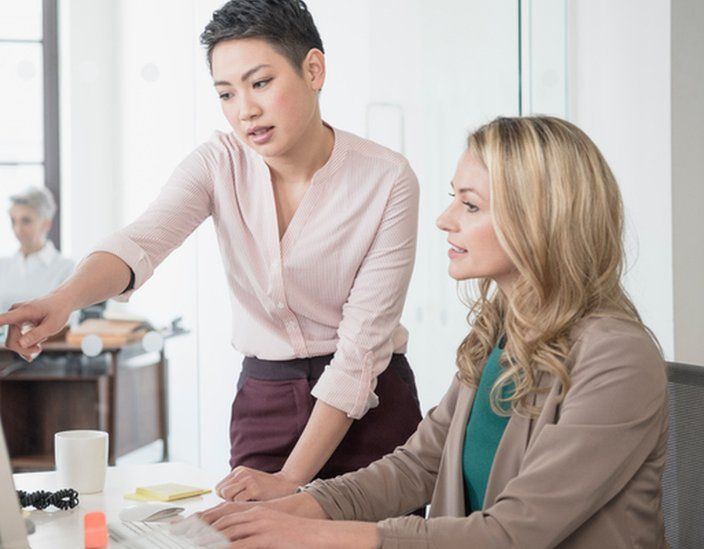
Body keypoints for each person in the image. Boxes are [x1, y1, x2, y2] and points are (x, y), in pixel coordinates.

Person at [0, 0, 423, 501]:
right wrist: (63, 300)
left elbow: (359, 354)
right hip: (266, 404)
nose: (244, 110)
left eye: (260, 83)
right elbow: (141, 241)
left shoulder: (386, 179)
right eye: (226, 93)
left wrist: (291, 481)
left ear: (313, 69)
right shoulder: (218, 163)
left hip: (370, 408)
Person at [190, 116, 669, 548]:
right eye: (453, 199)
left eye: (471, 205)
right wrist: (288, 510)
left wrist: (314, 534)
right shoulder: (501, 331)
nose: (445, 220)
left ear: (540, 220)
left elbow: (515, 533)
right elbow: (417, 466)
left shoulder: (618, 357)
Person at [0, 186, 75, 313]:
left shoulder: (66, 269)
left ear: (46, 224)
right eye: (13, 221)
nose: (17, 229)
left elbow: (67, 321)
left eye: (26, 221)